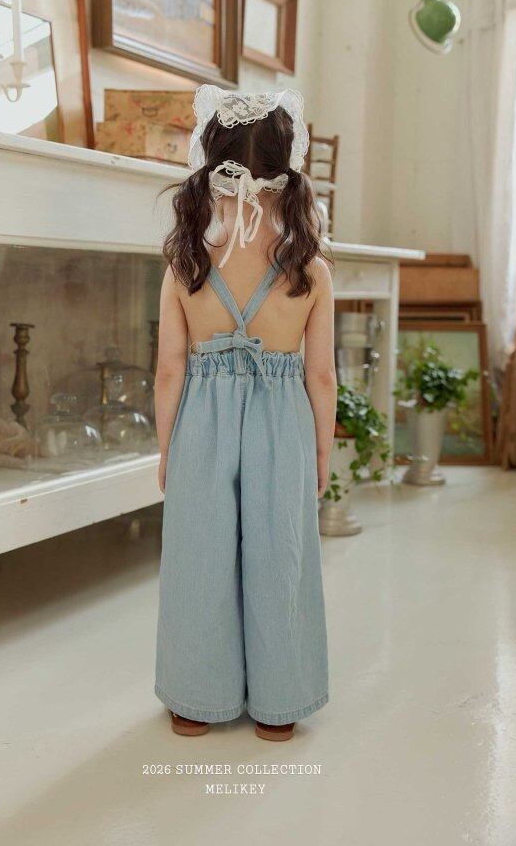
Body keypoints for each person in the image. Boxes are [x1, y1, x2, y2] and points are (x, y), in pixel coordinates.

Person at [154, 86, 336, 742]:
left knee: (198, 553)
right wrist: (321, 452)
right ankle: (279, 707)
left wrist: (168, 449)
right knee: (278, 551)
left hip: (202, 422)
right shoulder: (310, 269)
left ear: (211, 167)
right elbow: (321, 375)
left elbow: (169, 370)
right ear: (288, 169)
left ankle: (195, 702)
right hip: (281, 422)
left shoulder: (186, 262)